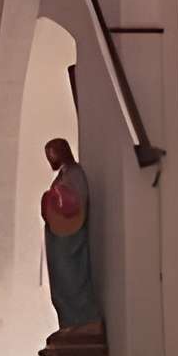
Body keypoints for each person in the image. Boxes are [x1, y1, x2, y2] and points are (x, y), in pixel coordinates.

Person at [39, 138, 101, 333]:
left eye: (52, 154)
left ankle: (84, 321)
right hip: (58, 240)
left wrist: (57, 198)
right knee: (60, 285)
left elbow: (76, 203)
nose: (51, 159)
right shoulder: (62, 176)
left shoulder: (75, 174)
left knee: (72, 279)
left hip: (70, 242)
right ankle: (69, 322)